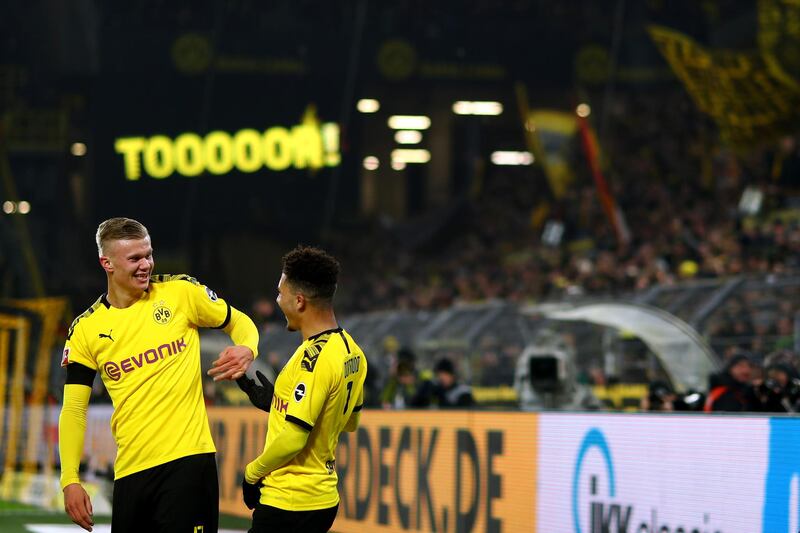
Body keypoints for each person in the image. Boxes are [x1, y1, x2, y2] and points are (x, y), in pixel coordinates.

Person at [59, 217, 259, 532]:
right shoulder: (85, 329)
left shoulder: (181, 292)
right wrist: (70, 478)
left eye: (149, 254)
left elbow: (238, 321)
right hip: (130, 472)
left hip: (189, 464)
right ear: (106, 262)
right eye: (135, 258)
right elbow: (73, 409)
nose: (146, 265)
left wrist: (247, 347)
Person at [241, 246, 367, 533]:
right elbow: (349, 421)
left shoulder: (313, 359)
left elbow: (295, 439)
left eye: (279, 293)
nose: (277, 300)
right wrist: (278, 402)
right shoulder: (353, 351)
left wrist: (252, 474)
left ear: (299, 301)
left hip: (289, 501)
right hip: (323, 499)